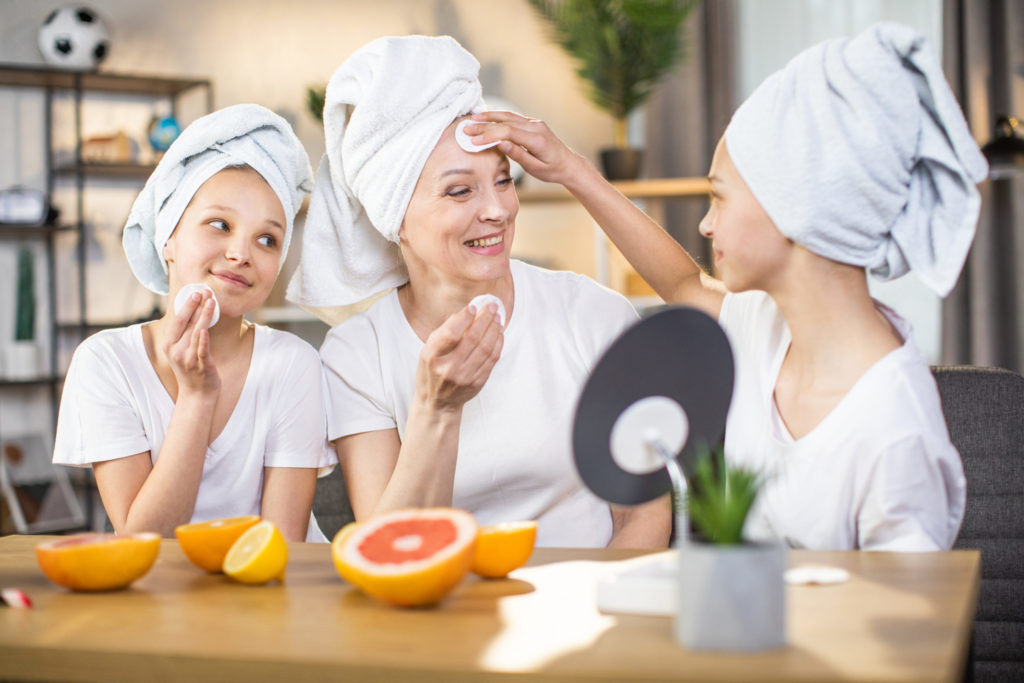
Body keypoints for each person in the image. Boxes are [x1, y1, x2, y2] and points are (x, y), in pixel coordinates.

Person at [465, 23, 983, 551]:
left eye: (720, 197)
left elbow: (904, 630)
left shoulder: (896, 435)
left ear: (795, 209)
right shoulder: (767, 326)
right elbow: (683, 283)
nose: (705, 225)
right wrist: (574, 172)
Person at [287, 35, 670, 548]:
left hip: (589, 604)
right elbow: (388, 549)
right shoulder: (358, 356)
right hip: (438, 615)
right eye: (460, 190)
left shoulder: (591, 314)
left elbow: (640, 519)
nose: (497, 210)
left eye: (504, 180)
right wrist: (435, 409)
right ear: (394, 219)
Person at [53, 104, 334, 542]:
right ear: (167, 238)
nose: (242, 253)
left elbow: (281, 548)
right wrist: (197, 397)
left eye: (267, 239)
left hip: (271, 595)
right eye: (220, 224)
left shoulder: (292, 364)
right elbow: (144, 540)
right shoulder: (106, 363)